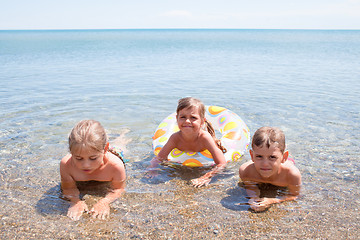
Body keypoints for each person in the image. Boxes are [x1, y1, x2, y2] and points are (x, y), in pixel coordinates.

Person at [148, 97, 227, 187]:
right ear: (177, 118)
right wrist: (152, 170)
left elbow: (221, 163)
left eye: (193, 118)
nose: (187, 121)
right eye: (183, 117)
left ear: (202, 122)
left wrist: (206, 177)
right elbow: (159, 158)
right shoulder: (175, 138)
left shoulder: (205, 138)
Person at [60, 120, 128, 221]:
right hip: (97, 150)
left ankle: (123, 133)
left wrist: (104, 202)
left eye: (93, 158)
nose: (86, 165)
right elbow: (68, 188)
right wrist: (75, 201)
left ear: (105, 149)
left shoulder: (115, 166)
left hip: (115, 152)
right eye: (79, 158)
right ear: (71, 152)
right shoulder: (67, 165)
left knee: (121, 143)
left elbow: (118, 189)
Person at [239, 126, 301, 212]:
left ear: (284, 157)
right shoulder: (246, 171)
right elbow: (251, 187)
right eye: (259, 156)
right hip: (269, 164)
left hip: (284, 165)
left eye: (272, 157)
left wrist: (273, 200)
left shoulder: (291, 175)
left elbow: (294, 195)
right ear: (252, 156)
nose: (265, 164)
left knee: (289, 163)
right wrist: (254, 198)